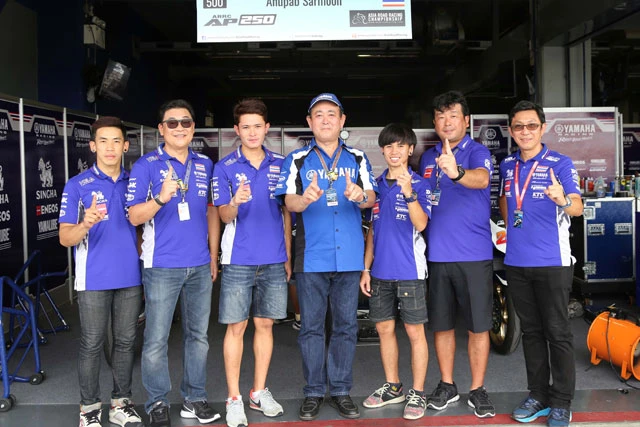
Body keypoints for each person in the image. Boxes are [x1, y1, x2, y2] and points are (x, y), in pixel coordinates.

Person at [275, 93, 377, 421]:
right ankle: (314, 392)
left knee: (346, 326)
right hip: (312, 256)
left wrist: (359, 195)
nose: (325, 120)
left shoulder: (358, 157)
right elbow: (288, 202)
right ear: (309, 122)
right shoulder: (297, 159)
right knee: (311, 328)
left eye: (332, 114)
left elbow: (371, 196)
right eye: (318, 114)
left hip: (349, 255)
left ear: (342, 120)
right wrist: (304, 199)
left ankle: (342, 390)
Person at [127, 99, 221, 427]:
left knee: (198, 337)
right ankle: (157, 402)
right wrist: (160, 197)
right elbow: (133, 216)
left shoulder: (205, 164)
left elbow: (212, 211)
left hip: (199, 265)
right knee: (156, 339)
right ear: (161, 129)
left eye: (185, 122)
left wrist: (213, 255)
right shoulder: (146, 165)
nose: (179, 128)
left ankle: (194, 398)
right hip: (161, 265)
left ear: (193, 128)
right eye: (172, 123)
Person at [498, 100, 583, 427]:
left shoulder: (560, 163)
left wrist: (563, 199)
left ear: (542, 128)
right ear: (511, 131)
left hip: (553, 262)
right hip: (517, 262)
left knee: (557, 332)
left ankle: (561, 401)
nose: (525, 132)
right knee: (531, 332)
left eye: (531, 125)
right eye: (519, 126)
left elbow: (577, 207)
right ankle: (538, 395)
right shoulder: (507, 165)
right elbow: (506, 200)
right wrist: (515, 224)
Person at [59, 116, 144, 427]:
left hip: (130, 277)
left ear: (126, 146)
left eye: (116, 141)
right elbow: (65, 237)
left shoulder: (135, 182)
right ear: (93, 146)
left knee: (125, 342)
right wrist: (85, 223)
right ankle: (89, 409)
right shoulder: (77, 185)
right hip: (93, 277)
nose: (110, 147)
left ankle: (121, 403)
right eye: (103, 141)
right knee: (92, 343)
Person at [213, 98, 291, 427]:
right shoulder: (224, 167)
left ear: (267, 128)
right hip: (238, 259)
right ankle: (234, 398)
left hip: (273, 259)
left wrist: (287, 255)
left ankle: (258, 392)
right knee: (236, 327)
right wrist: (234, 201)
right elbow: (222, 214)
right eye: (245, 127)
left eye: (258, 126)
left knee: (265, 325)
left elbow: (286, 213)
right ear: (236, 130)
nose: (252, 132)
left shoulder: (282, 164)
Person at [418, 90, 495, 418]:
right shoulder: (427, 157)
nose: (446, 122)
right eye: (440, 116)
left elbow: (482, 179)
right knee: (442, 325)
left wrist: (457, 172)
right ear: (434, 122)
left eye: (453, 116)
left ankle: (478, 388)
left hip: (473, 255)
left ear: (466, 120)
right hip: (437, 255)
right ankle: (447, 384)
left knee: (478, 326)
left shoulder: (477, 152)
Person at [359, 123, 432, 420]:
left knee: (415, 332)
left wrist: (409, 193)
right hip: (380, 273)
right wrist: (366, 268)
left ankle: (418, 392)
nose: (394, 151)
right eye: (389, 145)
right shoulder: (375, 186)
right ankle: (393, 387)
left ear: (410, 149)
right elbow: (372, 231)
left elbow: (422, 224)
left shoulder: (420, 184)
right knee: (384, 330)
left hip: (410, 271)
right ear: (382, 150)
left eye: (400, 145)